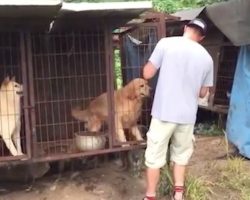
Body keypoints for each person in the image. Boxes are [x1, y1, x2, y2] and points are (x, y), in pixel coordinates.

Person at [142, 18, 214, 200]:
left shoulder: (166, 44)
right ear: (202, 37)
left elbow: (147, 73)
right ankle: (178, 196)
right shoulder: (207, 57)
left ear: (185, 28)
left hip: (163, 113)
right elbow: (203, 93)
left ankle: (150, 196)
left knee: (154, 158)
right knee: (181, 157)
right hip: (187, 116)